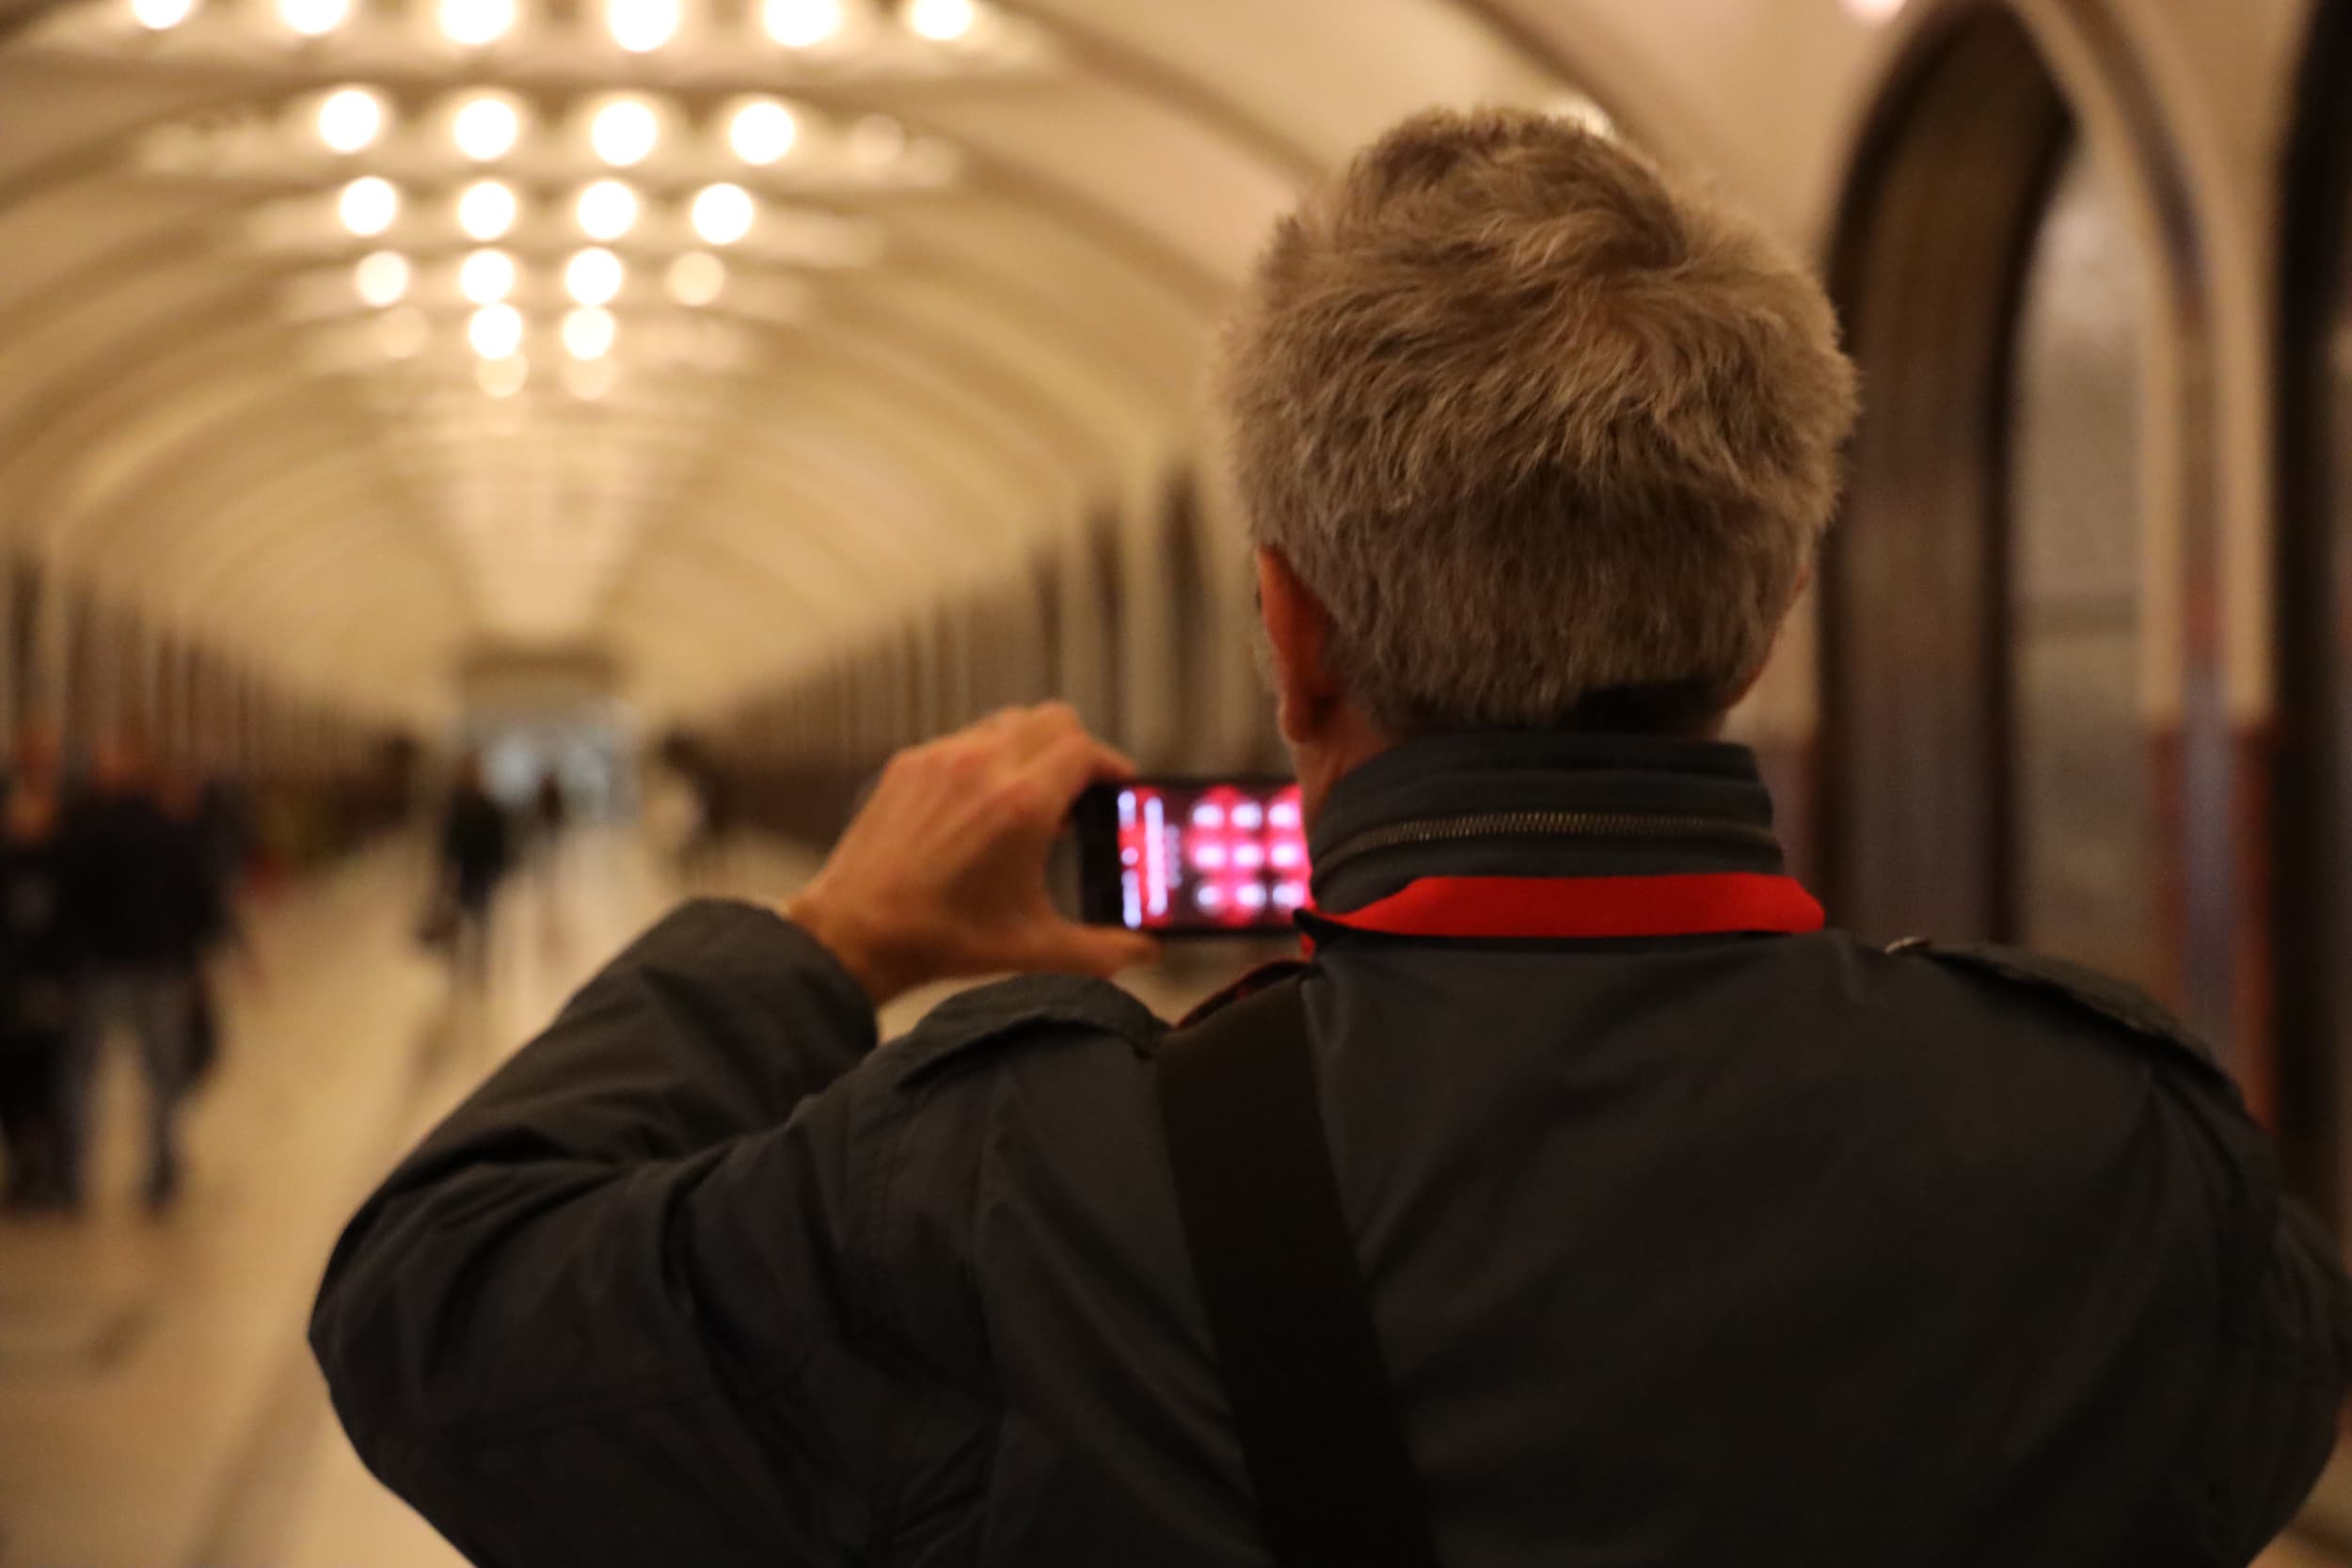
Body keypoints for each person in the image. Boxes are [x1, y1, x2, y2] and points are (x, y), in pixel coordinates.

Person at [311, 109, 2350, 1565]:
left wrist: (825, 936)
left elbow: (440, 1312)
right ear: (1760, 613)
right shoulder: (2119, 1155)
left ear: (1290, 629)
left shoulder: (1025, 1187)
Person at [56, 735, 225, 1212]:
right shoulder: (168, 826)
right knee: (159, 1072)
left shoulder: (87, 826)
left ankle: (77, 1172)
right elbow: (199, 899)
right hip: (155, 963)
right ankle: (160, 1168)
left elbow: (68, 901)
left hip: (111, 966)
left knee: (90, 1071)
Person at [0, 727, 76, 1212]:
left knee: (53, 1083)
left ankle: (54, 1173)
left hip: (51, 981)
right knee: (15, 1084)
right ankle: (26, 1168)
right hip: (9, 985)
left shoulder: (67, 852)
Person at [433, 758, 509, 990]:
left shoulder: (486, 805)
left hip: (479, 869)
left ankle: (477, 962)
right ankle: (459, 962)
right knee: (462, 916)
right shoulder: (456, 806)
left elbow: (499, 840)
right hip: (464, 869)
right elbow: (446, 842)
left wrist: (499, 866)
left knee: (480, 917)